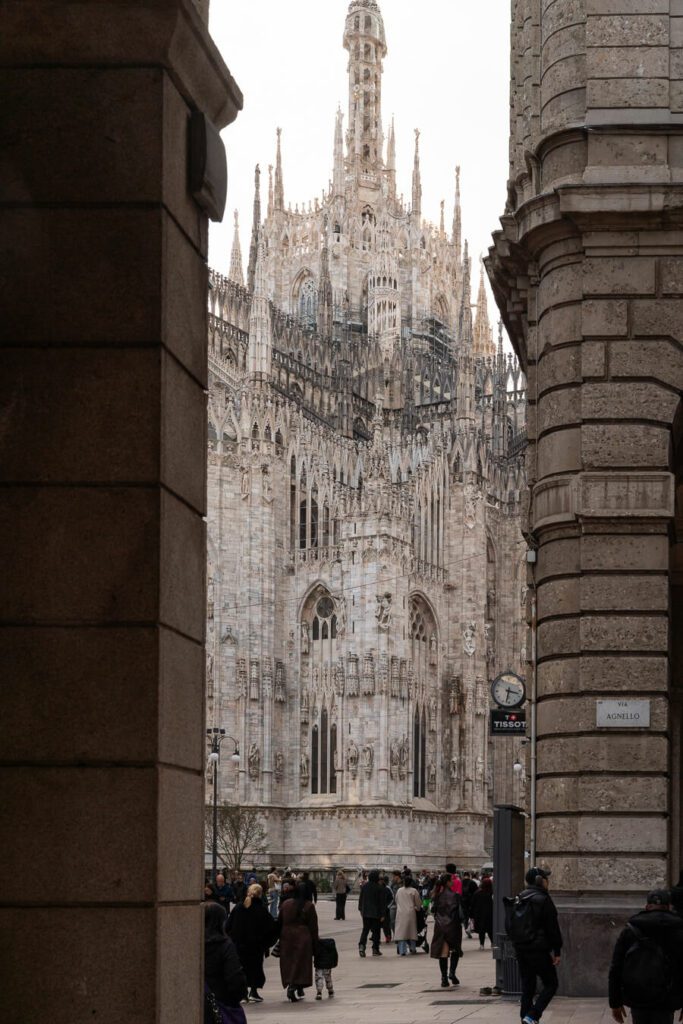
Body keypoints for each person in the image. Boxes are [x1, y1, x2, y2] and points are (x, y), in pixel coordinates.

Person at [608, 888, 683, 1024]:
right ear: (668, 907)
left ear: (647, 906)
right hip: (667, 997)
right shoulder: (678, 930)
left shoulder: (630, 930)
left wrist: (615, 1002)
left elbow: (616, 968)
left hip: (638, 996)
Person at [506, 867, 562, 1024]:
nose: (547, 881)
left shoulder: (520, 897)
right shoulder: (543, 899)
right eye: (546, 878)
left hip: (521, 948)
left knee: (528, 985)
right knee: (551, 983)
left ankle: (525, 1017)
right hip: (538, 949)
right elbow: (553, 928)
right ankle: (532, 1016)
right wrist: (557, 950)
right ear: (540, 880)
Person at [227, 882, 276, 1003]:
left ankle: (243, 994)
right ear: (260, 894)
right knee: (255, 968)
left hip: (239, 945)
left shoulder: (239, 907)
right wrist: (266, 943)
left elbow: (228, 925)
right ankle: (253, 991)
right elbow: (271, 928)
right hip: (255, 947)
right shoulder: (261, 910)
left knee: (241, 968)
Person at [203, 902, 248, 1023]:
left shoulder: (191, 944)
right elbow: (234, 976)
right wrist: (237, 997)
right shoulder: (224, 945)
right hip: (221, 1003)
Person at [278, 880, 319, 1002]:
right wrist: (315, 943)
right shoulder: (308, 906)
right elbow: (313, 927)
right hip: (303, 936)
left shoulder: (286, 904)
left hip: (286, 936)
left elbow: (279, 921)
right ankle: (294, 986)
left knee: (289, 962)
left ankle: (292, 984)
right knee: (301, 963)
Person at [430, 873, 462, 986]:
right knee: (455, 950)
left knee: (443, 953)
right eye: (451, 880)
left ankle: (444, 978)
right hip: (453, 926)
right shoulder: (456, 896)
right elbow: (459, 913)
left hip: (440, 926)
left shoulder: (436, 895)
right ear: (448, 882)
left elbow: (433, 910)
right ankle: (452, 973)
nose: (453, 881)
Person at [358, 868, 385, 957]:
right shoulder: (379, 888)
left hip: (366, 913)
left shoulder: (364, 886)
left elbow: (361, 899)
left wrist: (361, 909)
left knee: (365, 930)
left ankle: (362, 947)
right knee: (376, 931)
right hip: (376, 914)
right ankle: (375, 949)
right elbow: (382, 902)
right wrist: (383, 914)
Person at [394, 871, 422, 956]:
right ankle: (412, 948)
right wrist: (418, 908)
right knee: (412, 931)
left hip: (401, 912)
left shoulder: (399, 890)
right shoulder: (414, 891)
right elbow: (418, 903)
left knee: (401, 932)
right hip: (411, 912)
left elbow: (396, 900)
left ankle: (402, 950)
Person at [471, 875, 494, 949]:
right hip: (490, 914)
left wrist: (472, 915)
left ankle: (482, 945)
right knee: (490, 930)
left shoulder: (477, 893)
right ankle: (493, 943)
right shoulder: (492, 893)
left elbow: (473, 904)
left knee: (482, 930)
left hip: (480, 914)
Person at [461, 871, 478, 938]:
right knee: (472, 916)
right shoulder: (473, 883)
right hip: (471, 902)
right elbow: (476, 893)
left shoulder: (461, 883)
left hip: (463, 902)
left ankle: (466, 929)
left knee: (465, 917)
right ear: (469, 875)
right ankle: (470, 928)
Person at [381, 874, 394, 943]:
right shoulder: (378, 888)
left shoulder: (387, 888)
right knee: (379, 925)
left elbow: (392, 898)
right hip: (378, 910)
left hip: (386, 910)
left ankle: (388, 936)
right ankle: (376, 937)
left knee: (386, 924)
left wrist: (388, 906)